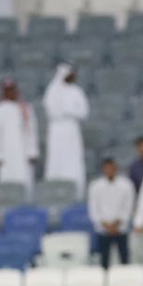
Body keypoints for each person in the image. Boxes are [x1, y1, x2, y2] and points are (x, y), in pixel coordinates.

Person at [42, 65, 88, 195]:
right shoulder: (52, 91)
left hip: (71, 128)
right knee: (56, 158)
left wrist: (70, 112)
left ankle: (76, 189)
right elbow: (50, 111)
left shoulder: (77, 91)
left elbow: (84, 112)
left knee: (73, 158)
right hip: (56, 130)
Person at [0, 78, 37, 190]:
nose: (10, 92)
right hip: (6, 155)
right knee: (7, 183)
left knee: (25, 181)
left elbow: (31, 131)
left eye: (12, 89)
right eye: (7, 90)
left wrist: (32, 151)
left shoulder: (26, 109)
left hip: (24, 153)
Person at [87, 157, 134, 268]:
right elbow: (93, 209)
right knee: (104, 260)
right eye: (106, 168)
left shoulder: (126, 185)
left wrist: (117, 224)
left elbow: (128, 207)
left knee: (124, 258)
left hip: (120, 229)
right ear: (103, 169)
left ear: (115, 168)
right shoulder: (95, 186)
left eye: (111, 168)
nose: (109, 170)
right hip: (103, 229)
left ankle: (126, 276)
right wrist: (105, 225)